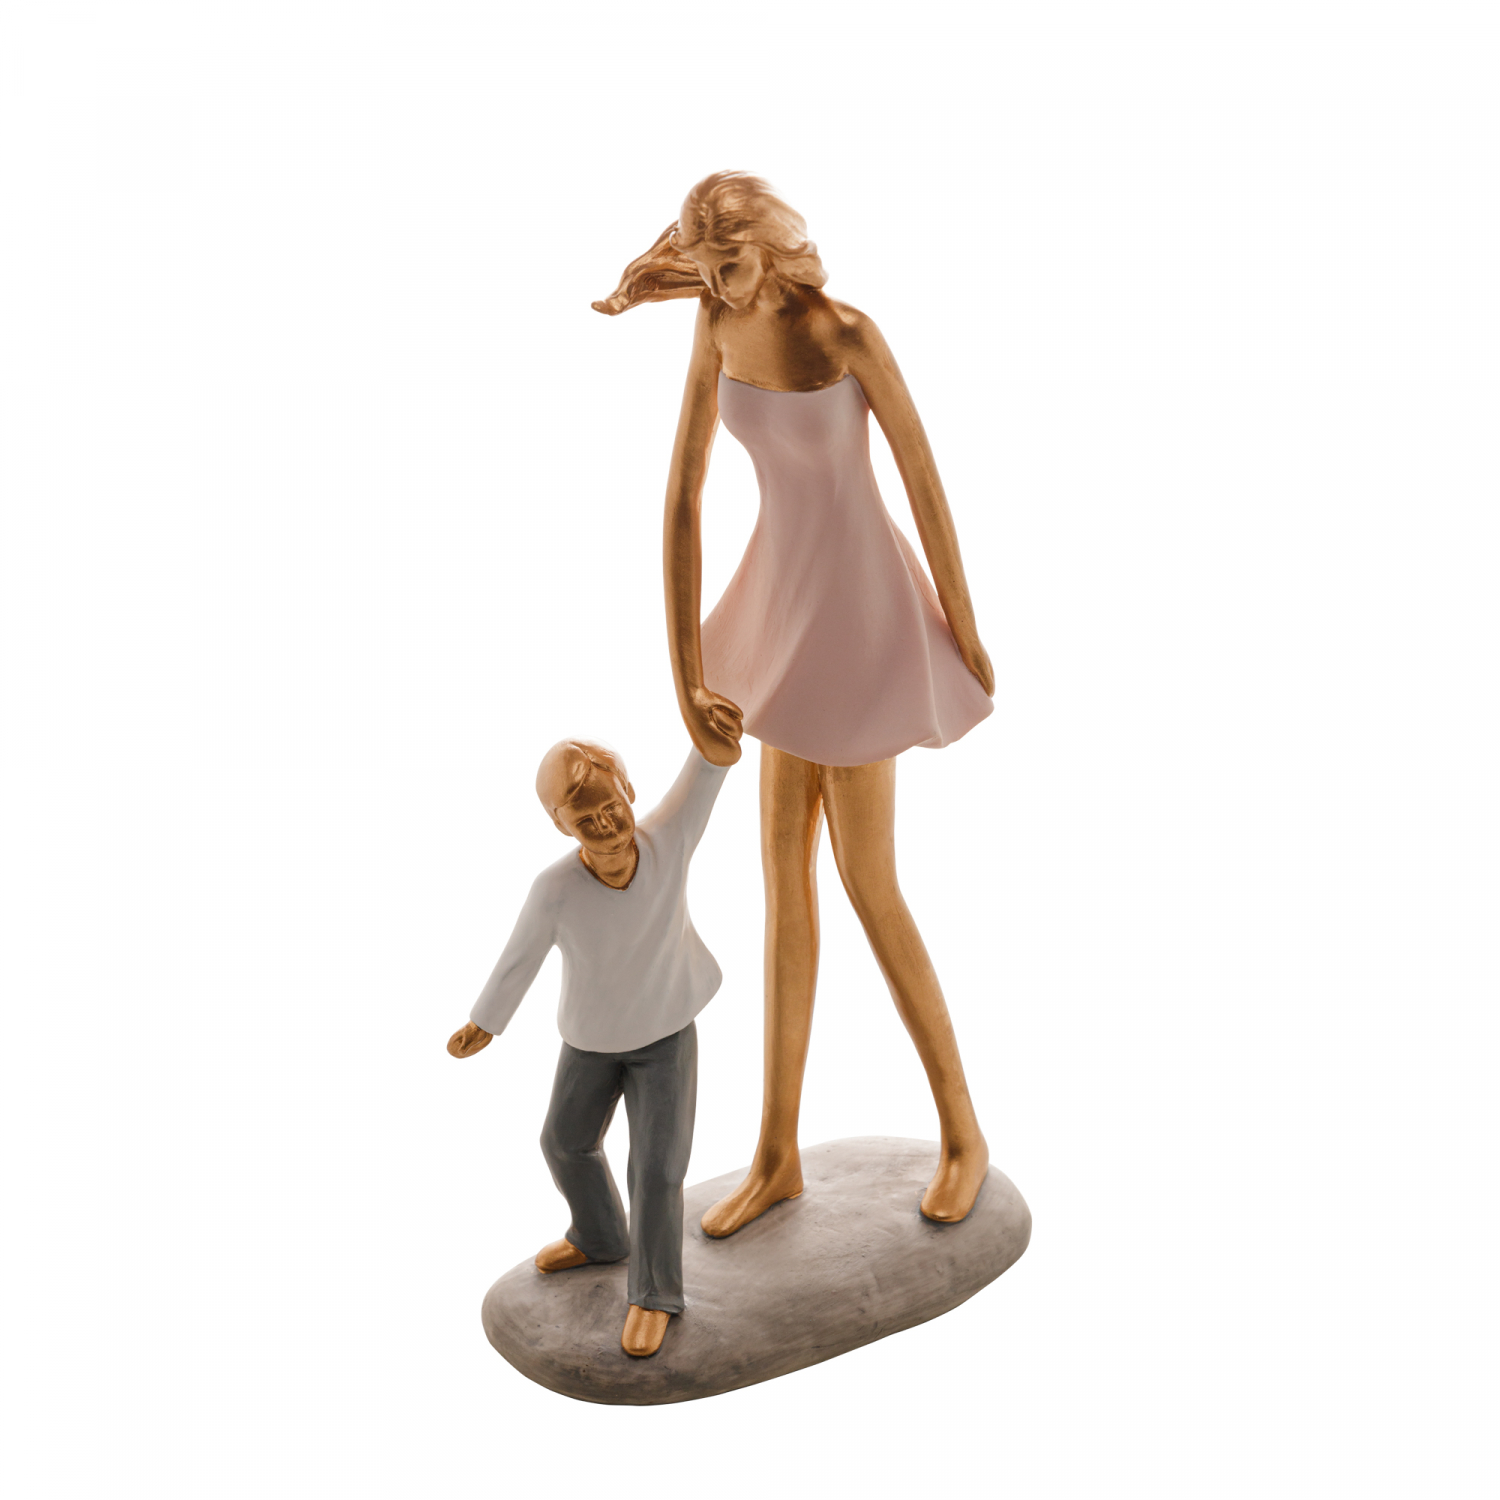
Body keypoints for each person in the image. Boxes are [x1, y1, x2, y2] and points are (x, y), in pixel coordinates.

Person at [594, 171, 995, 1237]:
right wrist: (686, 671)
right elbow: (683, 497)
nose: (718, 285)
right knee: (783, 889)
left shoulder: (845, 332)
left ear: (770, 250)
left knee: (870, 883)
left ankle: (964, 1134)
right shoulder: (716, 323)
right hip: (782, 606)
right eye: (705, 269)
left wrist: (964, 625)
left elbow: (922, 478)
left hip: (860, 614)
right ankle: (777, 1153)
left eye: (730, 265)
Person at [447, 737, 734, 1358]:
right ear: (561, 825)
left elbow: (702, 778)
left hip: (666, 1034)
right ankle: (601, 1236)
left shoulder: (668, 840)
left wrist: (716, 742)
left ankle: (655, 1293)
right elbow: (519, 958)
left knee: (656, 1169)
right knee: (564, 1142)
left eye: (611, 807)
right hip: (592, 1040)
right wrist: (485, 1022)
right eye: (585, 820)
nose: (606, 825)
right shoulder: (554, 889)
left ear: (629, 792)